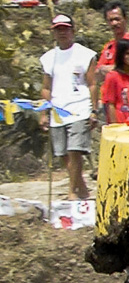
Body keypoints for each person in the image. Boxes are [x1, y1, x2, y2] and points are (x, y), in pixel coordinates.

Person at [39, 14, 98, 200]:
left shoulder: (85, 55)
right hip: (57, 110)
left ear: (72, 30)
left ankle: (72, 192)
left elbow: (92, 84)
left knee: (75, 151)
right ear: (53, 32)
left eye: (65, 28)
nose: (62, 32)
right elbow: (46, 88)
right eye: (58, 29)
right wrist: (43, 112)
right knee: (63, 153)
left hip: (79, 108)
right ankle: (82, 189)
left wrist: (94, 110)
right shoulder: (48, 58)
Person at [100, 39, 129, 125]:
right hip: (121, 121)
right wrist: (114, 125)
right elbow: (110, 104)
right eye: (127, 54)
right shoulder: (112, 76)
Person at [95, 2, 129, 79]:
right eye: (110, 20)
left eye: (117, 19)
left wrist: (104, 69)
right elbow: (97, 72)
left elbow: (128, 69)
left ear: (125, 19)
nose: (114, 23)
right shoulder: (109, 46)